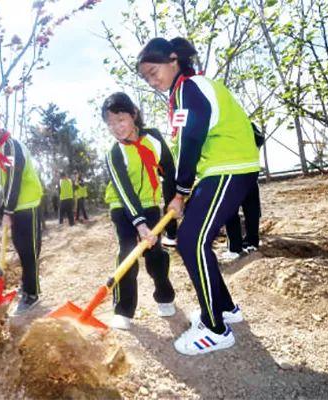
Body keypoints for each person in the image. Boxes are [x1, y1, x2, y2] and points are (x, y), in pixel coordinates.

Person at [138, 37, 260, 354]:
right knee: (193, 239)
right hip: (218, 169)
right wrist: (183, 186)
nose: (153, 81)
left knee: (191, 241)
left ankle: (215, 328)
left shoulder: (191, 86)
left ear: (173, 58)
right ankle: (226, 309)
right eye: (147, 77)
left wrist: (181, 191)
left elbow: (192, 137)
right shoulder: (182, 92)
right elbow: (186, 144)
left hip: (228, 166)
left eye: (154, 71)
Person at [102, 92, 177, 330]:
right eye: (110, 123)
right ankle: (123, 310)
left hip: (151, 205)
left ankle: (164, 296)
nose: (116, 127)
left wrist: (176, 199)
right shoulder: (114, 153)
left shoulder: (154, 138)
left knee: (155, 253)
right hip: (123, 206)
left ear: (133, 114)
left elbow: (168, 171)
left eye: (120, 120)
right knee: (127, 252)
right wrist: (139, 224)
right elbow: (124, 191)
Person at [0, 105, 43, 315]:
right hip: (17, 204)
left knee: (29, 250)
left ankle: (32, 294)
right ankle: (27, 284)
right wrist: (8, 207)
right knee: (21, 248)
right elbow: (6, 182)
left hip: (28, 203)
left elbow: (14, 179)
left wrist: (8, 211)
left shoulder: (11, 146)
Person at [222, 124, 264, 260]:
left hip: (230, 172)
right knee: (251, 208)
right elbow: (260, 139)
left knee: (230, 211)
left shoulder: (220, 125)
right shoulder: (247, 124)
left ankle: (235, 248)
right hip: (249, 170)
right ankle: (252, 242)